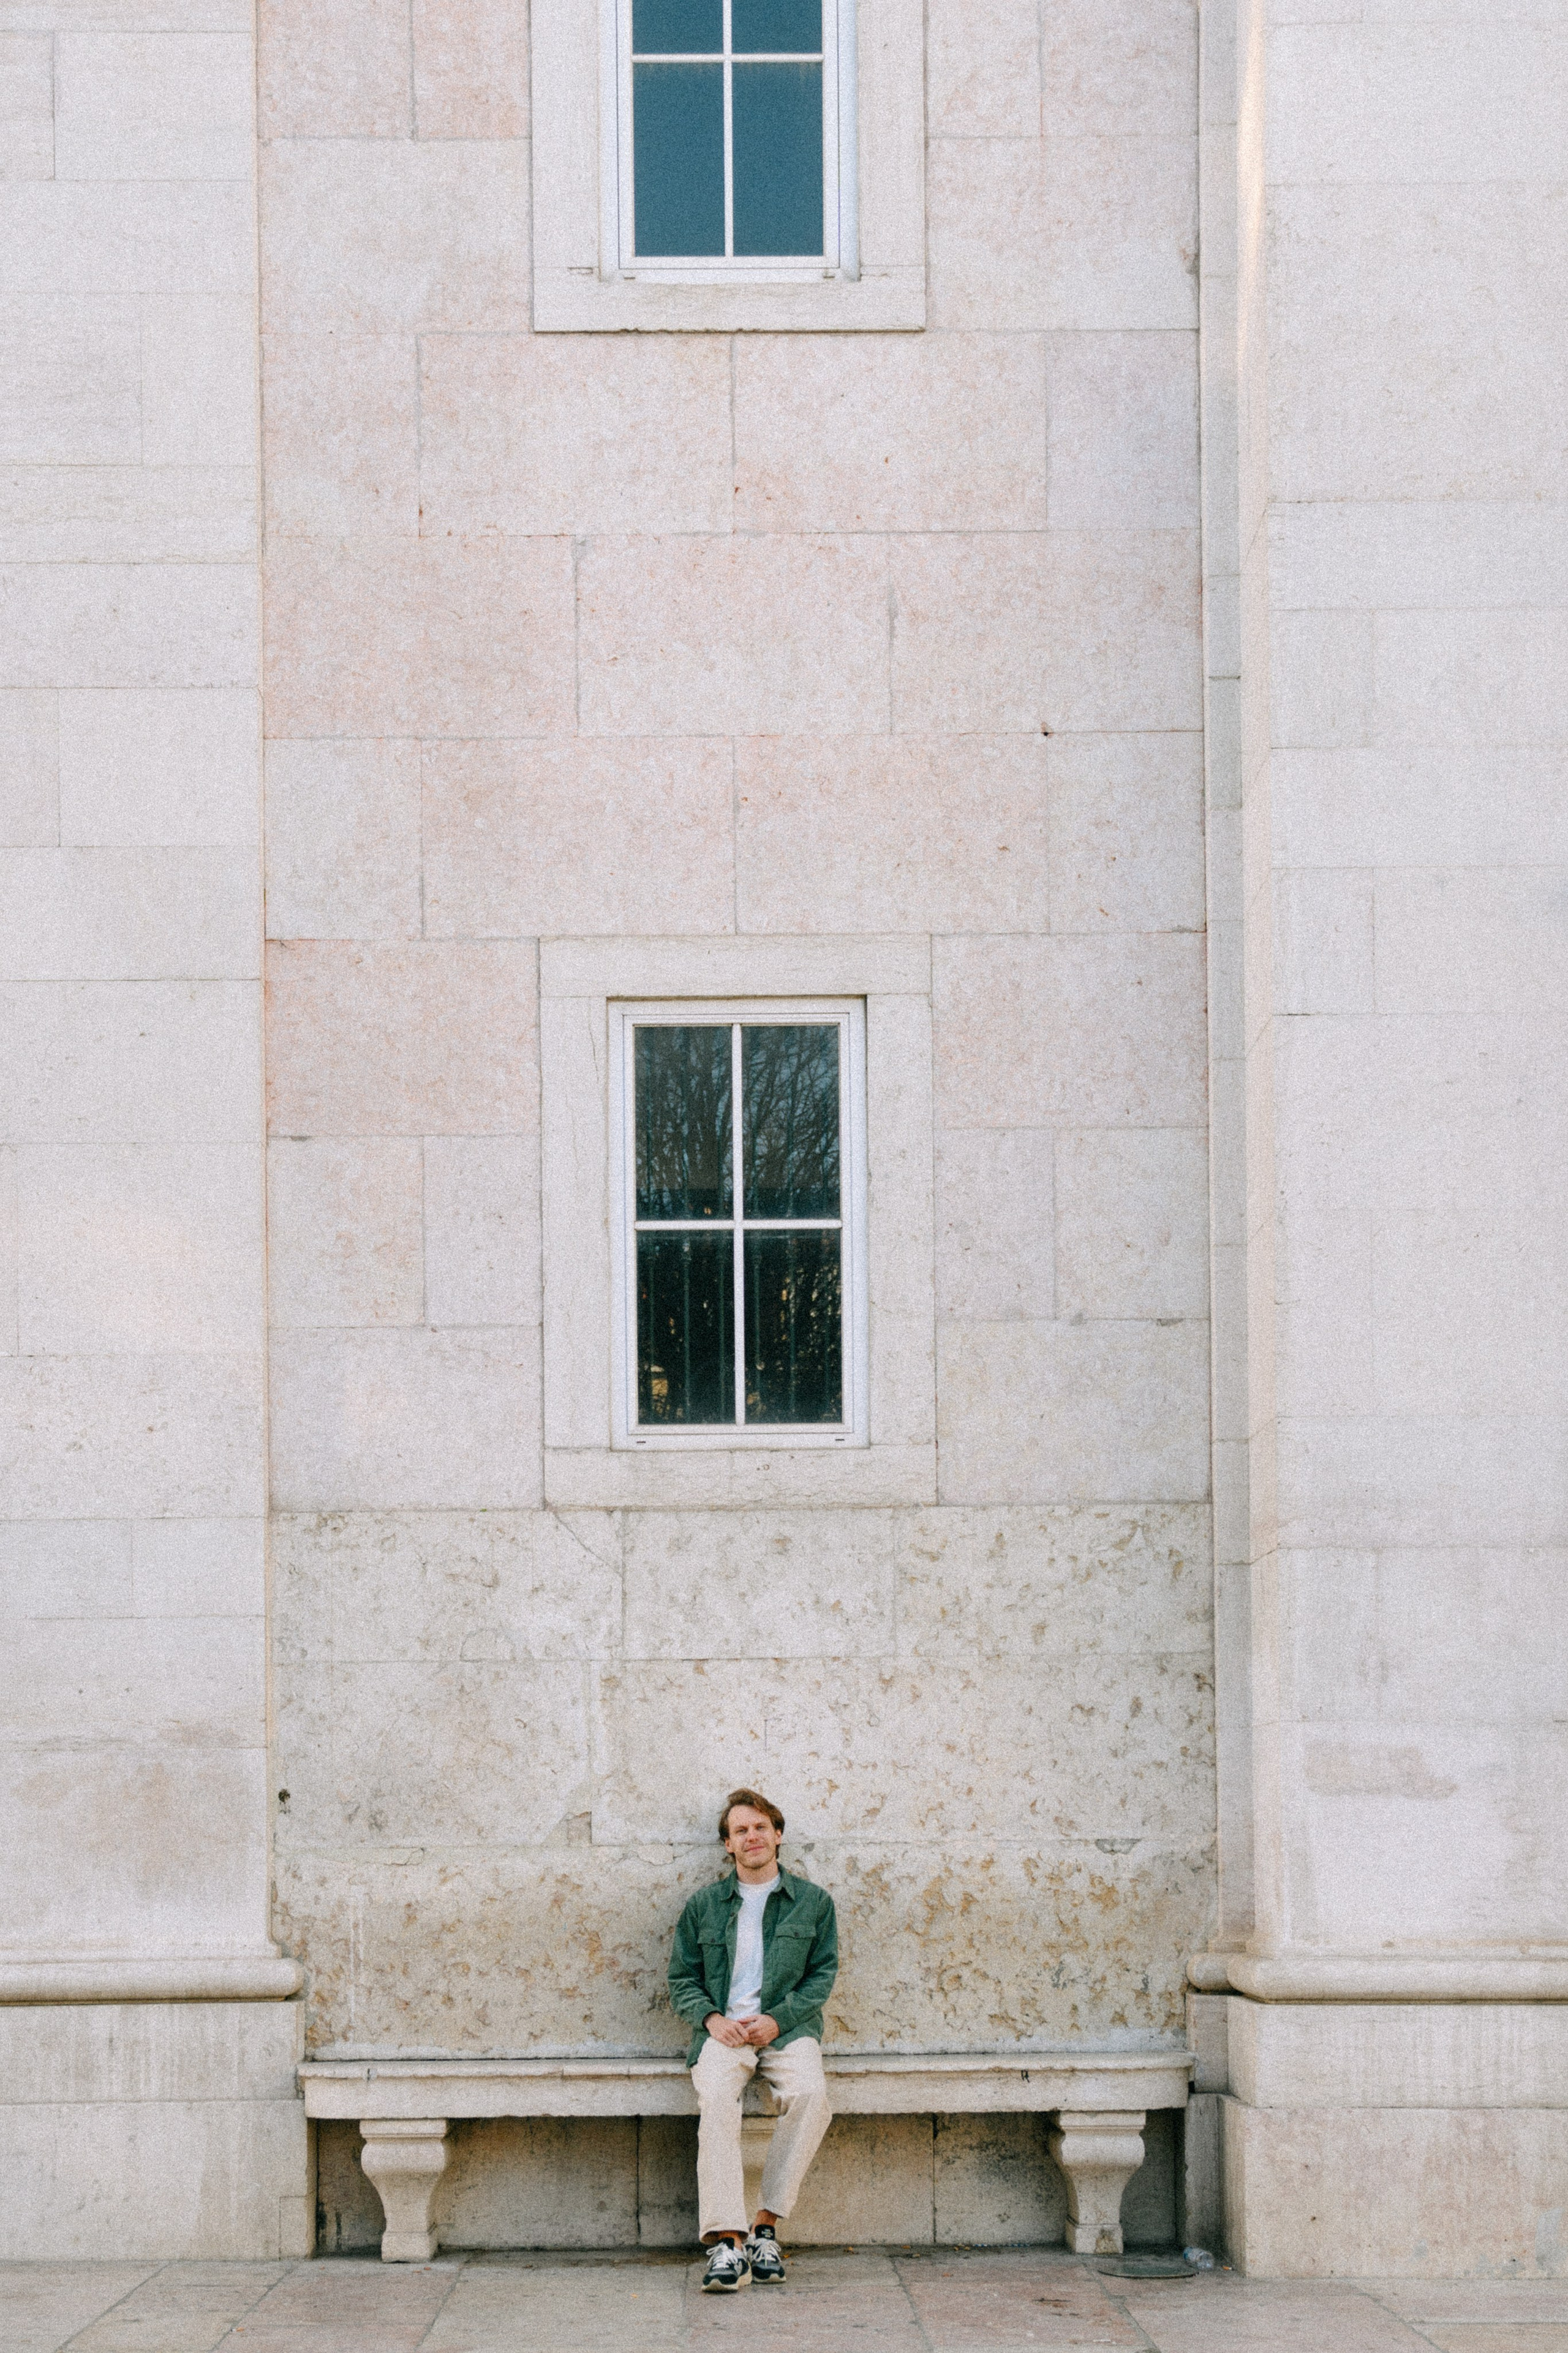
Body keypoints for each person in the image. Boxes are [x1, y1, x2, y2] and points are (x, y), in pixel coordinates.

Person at [667, 1788, 838, 2292]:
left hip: (786, 2030)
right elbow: (682, 1978)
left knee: (811, 2096)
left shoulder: (813, 1902)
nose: (753, 1836)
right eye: (741, 1830)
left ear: (778, 1835)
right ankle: (728, 2241)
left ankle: (766, 2226)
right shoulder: (703, 1905)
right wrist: (711, 2018)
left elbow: (822, 1975)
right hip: (726, 2032)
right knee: (717, 2098)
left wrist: (779, 2020)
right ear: (728, 1844)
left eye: (761, 1826)